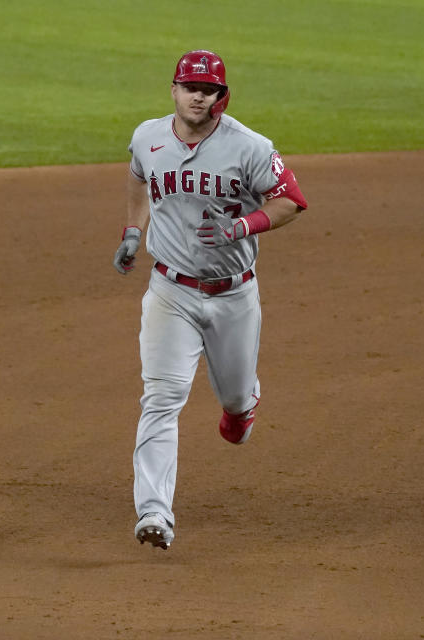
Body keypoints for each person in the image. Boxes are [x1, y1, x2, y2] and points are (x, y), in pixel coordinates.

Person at [113, 50, 309, 550]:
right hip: (169, 291)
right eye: (190, 86)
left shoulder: (250, 147)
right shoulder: (148, 137)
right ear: (174, 90)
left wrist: (243, 225)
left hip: (233, 295)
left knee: (235, 405)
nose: (199, 95)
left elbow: (291, 200)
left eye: (210, 89)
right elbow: (138, 176)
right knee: (160, 399)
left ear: (223, 96)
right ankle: (154, 513)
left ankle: (243, 407)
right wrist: (133, 232)